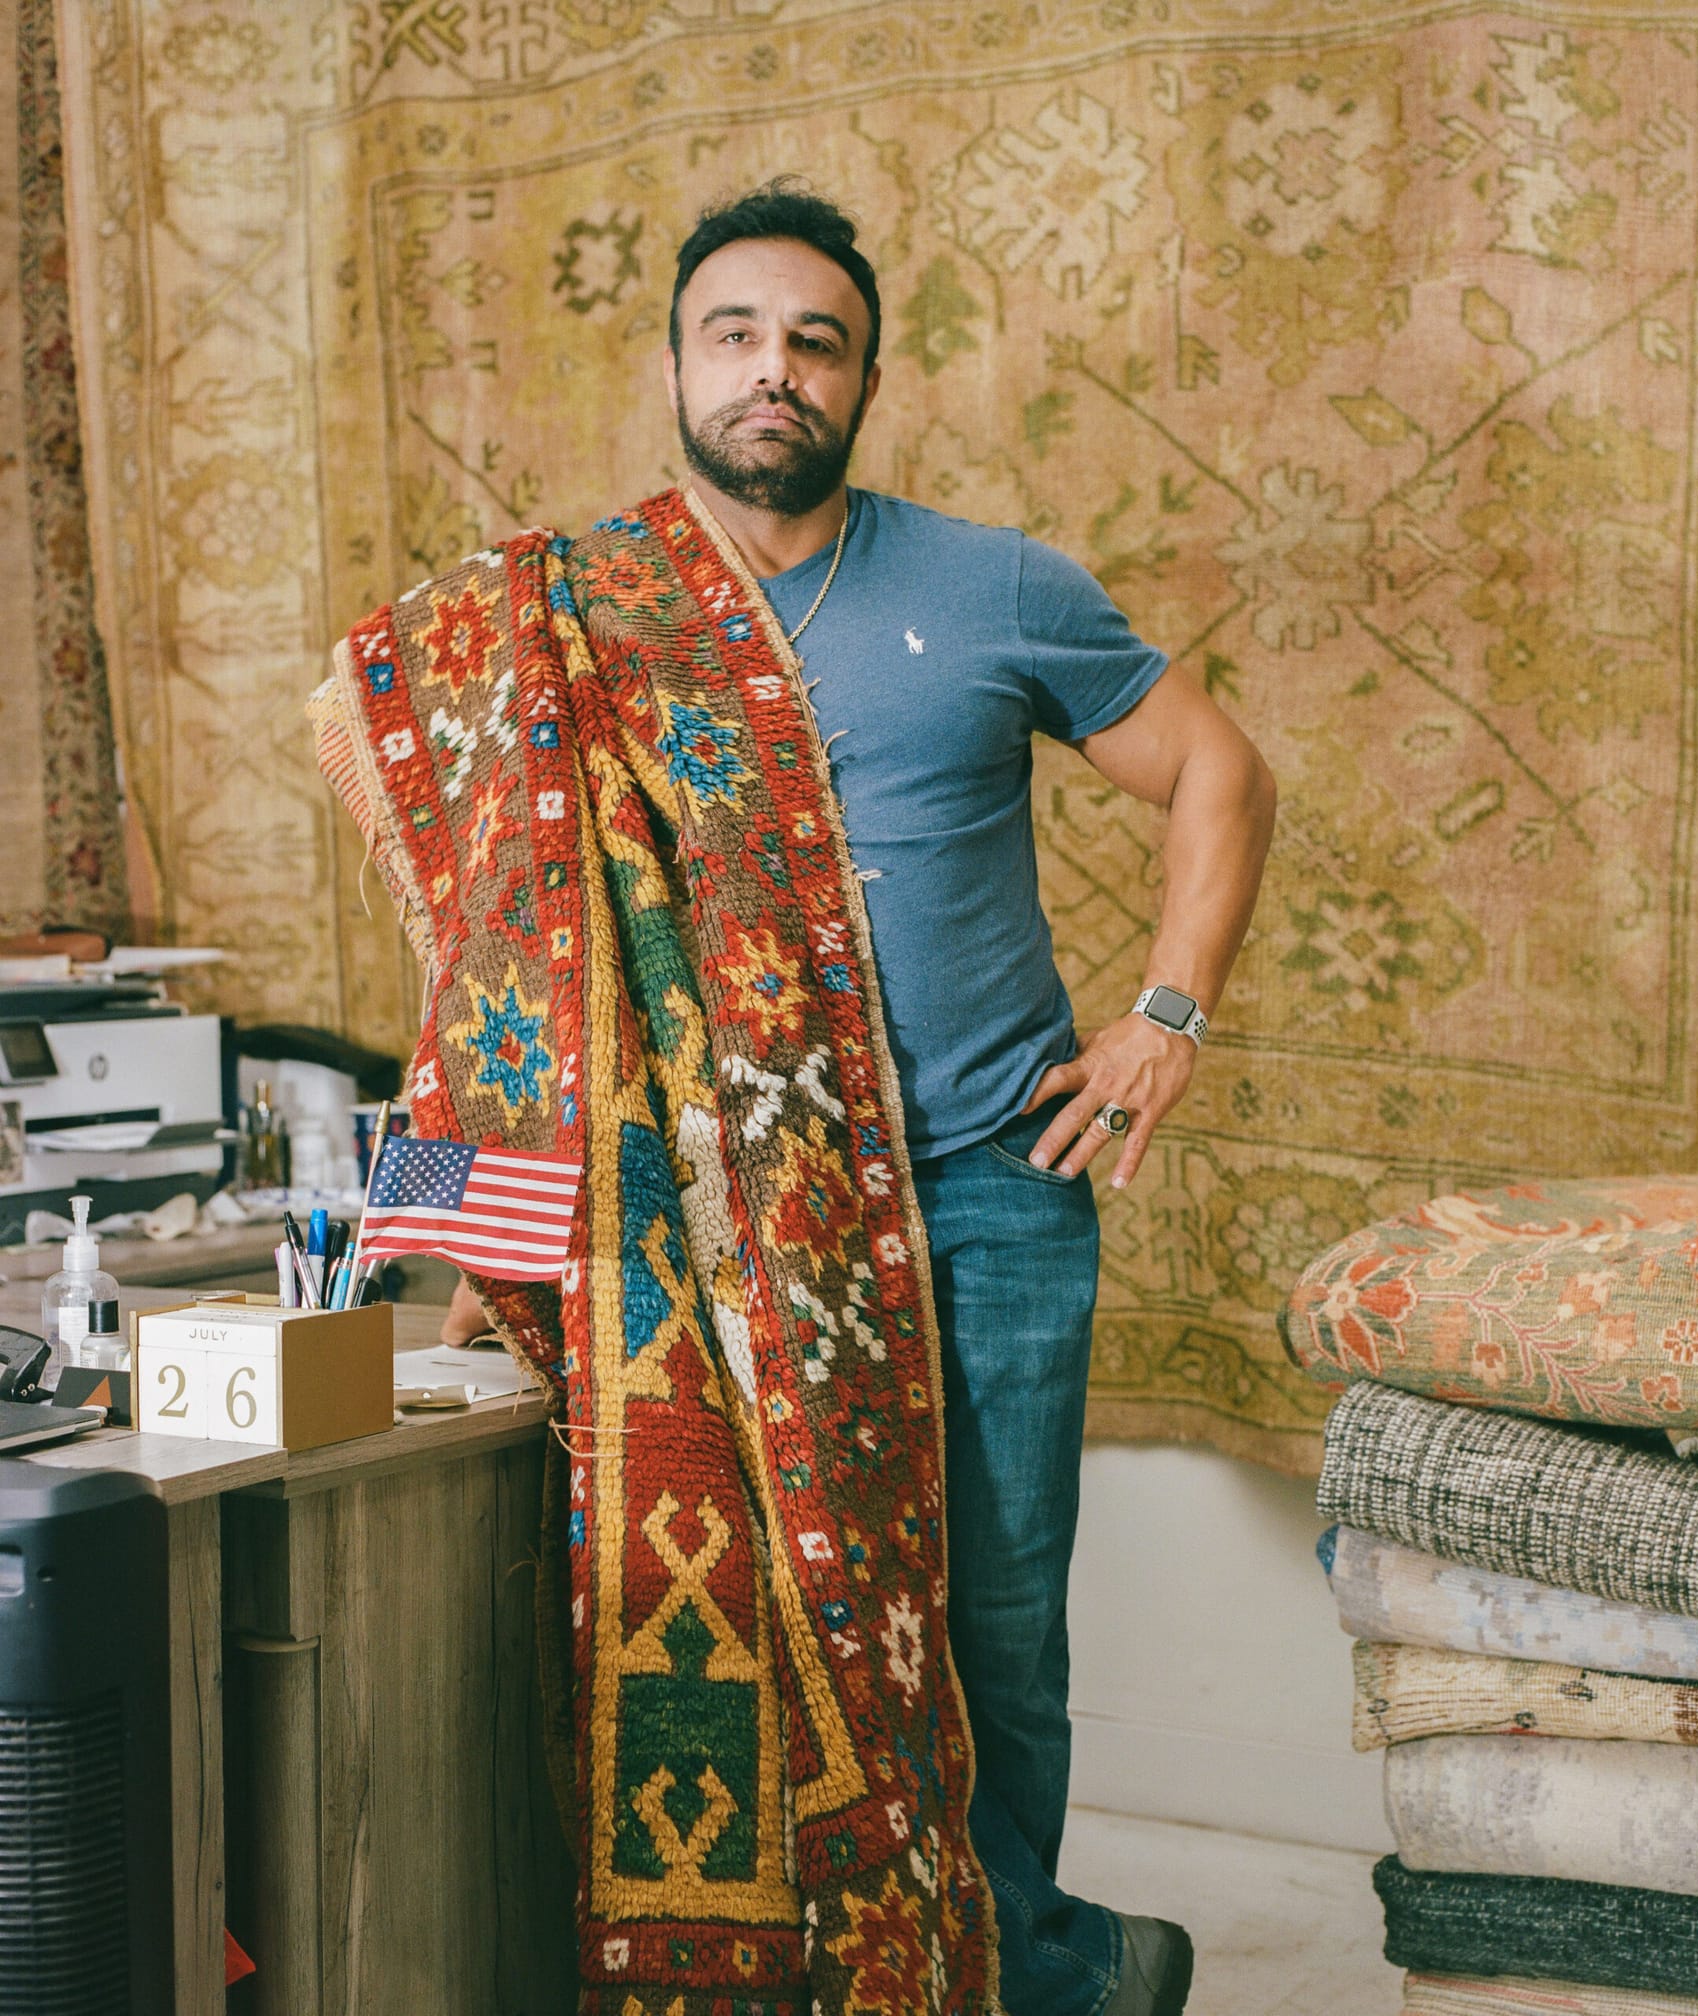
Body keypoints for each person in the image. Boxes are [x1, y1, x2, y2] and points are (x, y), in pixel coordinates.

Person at [446, 178, 1275, 2016]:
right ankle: (836, 1969)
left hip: (986, 1182)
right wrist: (457, 1232)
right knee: (742, 1616)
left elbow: (1219, 767)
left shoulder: (992, 585)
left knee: (992, 1627)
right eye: (735, 334)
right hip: (710, 1220)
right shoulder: (576, 616)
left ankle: (1019, 1968)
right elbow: (495, 942)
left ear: (866, 381)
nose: (773, 370)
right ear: (673, 363)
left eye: (814, 341)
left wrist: (1165, 1020)